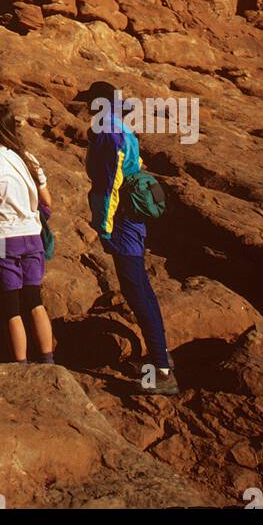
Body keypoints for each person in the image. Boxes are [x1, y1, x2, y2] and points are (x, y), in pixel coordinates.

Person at [84, 79, 178, 395]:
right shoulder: (119, 127)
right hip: (132, 218)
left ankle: (162, 373)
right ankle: (159, 357)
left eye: (90, 102)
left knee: (136, 290)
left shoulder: (109, 134)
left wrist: (105, 227)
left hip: (123, 221)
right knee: (142, 290)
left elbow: (111, 185)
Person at [0, 104, 55, 364]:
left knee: (10, 306)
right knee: (33, 299)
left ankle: (20, 364)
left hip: (2, 239)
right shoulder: (28, 159)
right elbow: (47, 201)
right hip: (32, 236)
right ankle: (48, 358)